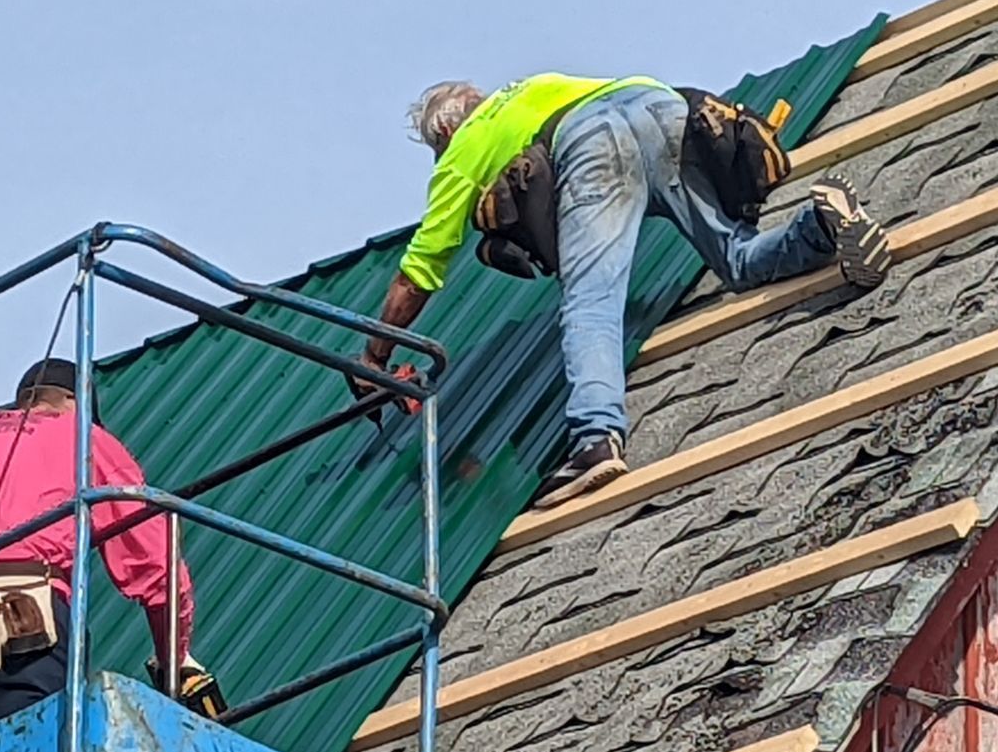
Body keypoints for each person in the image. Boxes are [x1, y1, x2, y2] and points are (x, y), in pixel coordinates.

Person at [357, 75, 893, 508]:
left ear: (445, 132)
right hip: (661, 107)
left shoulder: (463, 149)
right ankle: (819, 227)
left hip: (592, 143)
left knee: (590, 301)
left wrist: (374, 354)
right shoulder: (536, 87)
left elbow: (419, 271)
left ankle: (595, 440)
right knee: (734, 257)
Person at [0, 357, 216, 752]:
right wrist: (174, 656)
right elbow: (154, 561)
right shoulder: (82, 435)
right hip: (26, 619)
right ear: (77, 402)